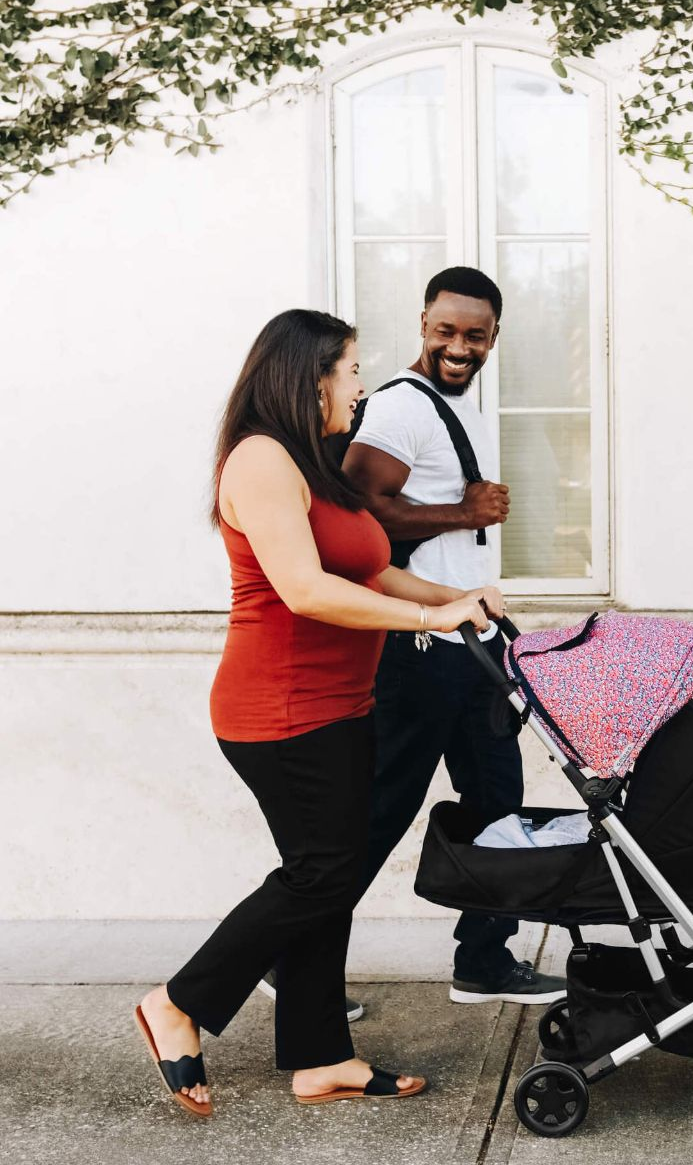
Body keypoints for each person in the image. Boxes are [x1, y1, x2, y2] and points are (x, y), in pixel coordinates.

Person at [135, 309, 505, 1117]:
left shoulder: (315, 461)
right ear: (310, 378)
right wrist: (428, 623)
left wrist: (455, 597)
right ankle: (179, 1001)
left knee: (327, 876)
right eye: (351, 370)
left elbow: (369, 570)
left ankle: (318, 1058)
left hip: (337, 705)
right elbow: (304, 589)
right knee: (320, 874)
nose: (362, 384)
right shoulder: (261, 460)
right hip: (281, 708)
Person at [342, 266, 566, 1004]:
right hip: (417, 651)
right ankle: (293, 956)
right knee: (378, 810)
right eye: (446, 331)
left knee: (498, 802)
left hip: (470, 644)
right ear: (423, 325)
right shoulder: (401, 409)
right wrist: (464, 515)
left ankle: (485, 958)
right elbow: (361, 515)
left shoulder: (459, 400)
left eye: (475, 334)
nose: (459, 346)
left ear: (495, 335)